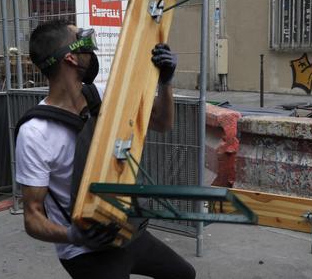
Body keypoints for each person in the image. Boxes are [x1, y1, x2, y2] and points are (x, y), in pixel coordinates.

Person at [16, 20, 195, 279]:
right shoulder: (35, 132)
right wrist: (72, 235)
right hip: (84, 251)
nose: (92, 51)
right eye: (85, 43)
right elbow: (32, 217)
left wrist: (165, 82)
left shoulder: (100, 96)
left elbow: (162, 122)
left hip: (123, 230)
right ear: (70, 59)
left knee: (182, 274)